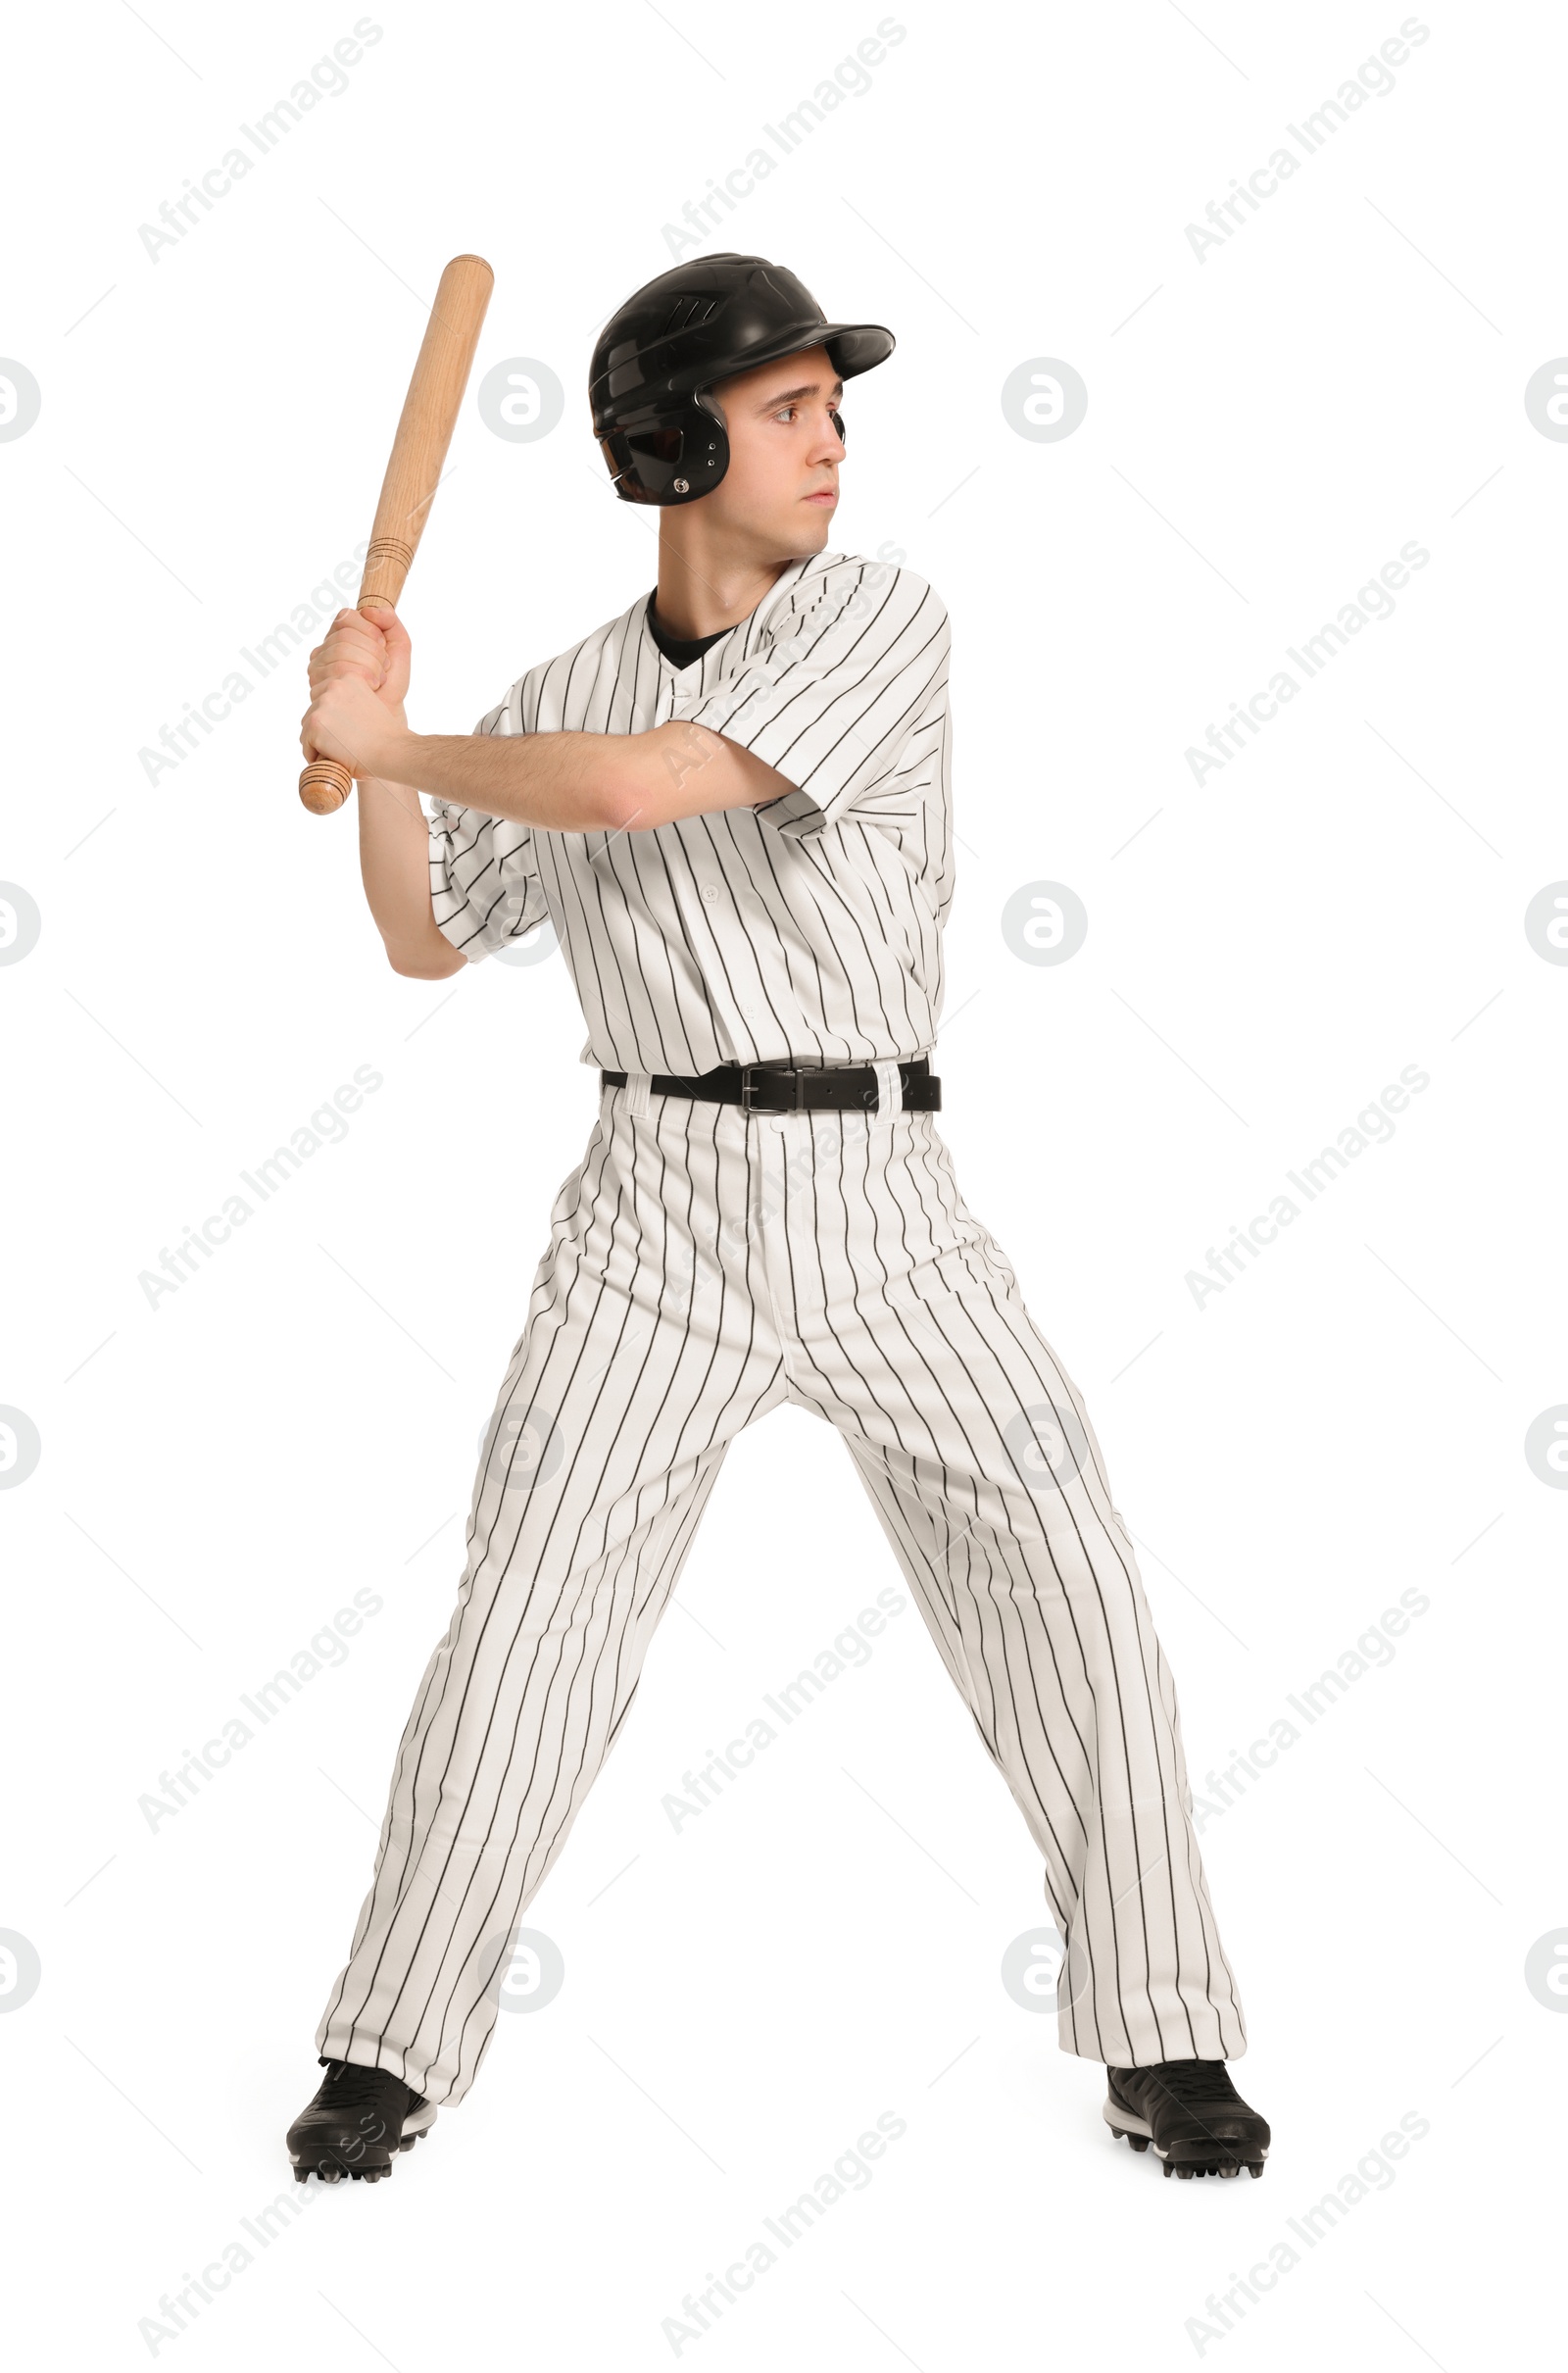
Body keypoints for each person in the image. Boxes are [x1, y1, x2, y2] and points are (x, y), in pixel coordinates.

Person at [286, 253, 1270, 2188]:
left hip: (885, 1197)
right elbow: (423, 934)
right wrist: (371, 731)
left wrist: (399, 751)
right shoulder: (548, 692)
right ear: (668, 442)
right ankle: (382, 2047)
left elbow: (654, 786)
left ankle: (1165, 2033)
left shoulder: (880, 618)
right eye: (787, 407)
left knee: (1064, 1586)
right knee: (526, 1629)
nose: (832, 441)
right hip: (647, 1212)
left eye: (835, 404)